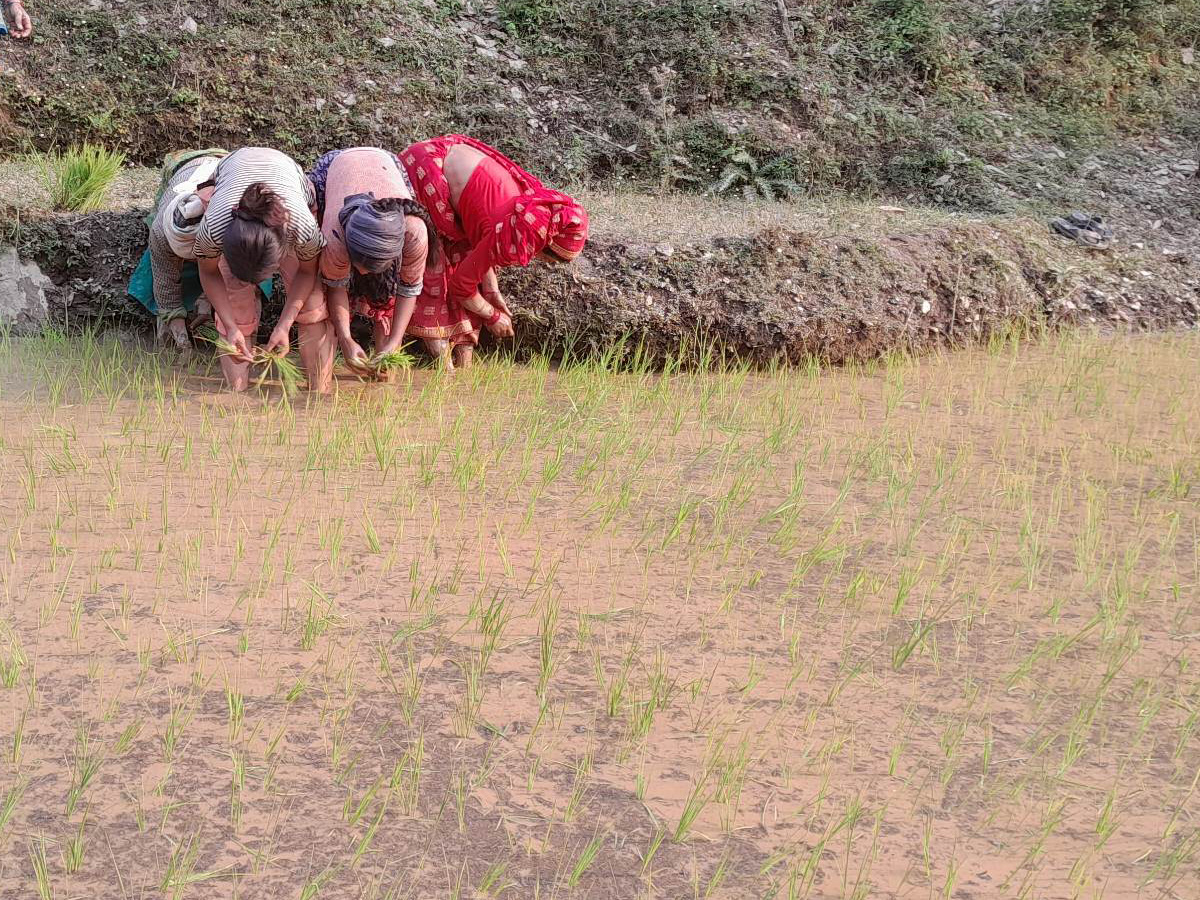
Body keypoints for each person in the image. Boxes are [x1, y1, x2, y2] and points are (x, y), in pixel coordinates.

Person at [399, 135, 588, 369]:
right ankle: (444, 368)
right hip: (426, 168)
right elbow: (461, 285)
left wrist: (491, 289)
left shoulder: (527, 210)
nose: (543, 263)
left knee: (466, 262)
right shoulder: (508, 235)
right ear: (546, 247)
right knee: (437, 262)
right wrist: (492, 316)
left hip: (444, 156)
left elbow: (482, 245)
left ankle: (463, 360)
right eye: (549, 260)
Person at [190, 147, 333, 393]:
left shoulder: (302, 227)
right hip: (234, 167)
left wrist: (284, 325)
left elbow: (308, 273)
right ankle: (237, 392)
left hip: (287, 172)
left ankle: (318, 390)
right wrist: (231, 326)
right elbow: (209, 272)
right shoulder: (214, 227)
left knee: (312, 304)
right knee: (235, 302)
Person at [306, 147, 436, 373]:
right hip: (335, 168)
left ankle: (382, 344)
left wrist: (394, 343)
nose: (364, 273)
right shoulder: (335, 238)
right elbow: (336, 287)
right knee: (325, 284)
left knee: (385, 290)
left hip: (386, 165)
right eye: (361, 265)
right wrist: (346, 339)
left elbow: (409, 289)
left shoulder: (414, 232)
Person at [127, 149, 229, 351]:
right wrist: (183, 341)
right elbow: (165, 285)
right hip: (185, 167)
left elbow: (226, 272)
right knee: (155, 266)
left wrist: (206, 301)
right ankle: (167, 338)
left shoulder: (226, 225)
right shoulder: (160, 232)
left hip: (226, 168)